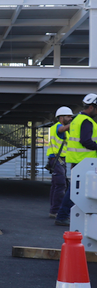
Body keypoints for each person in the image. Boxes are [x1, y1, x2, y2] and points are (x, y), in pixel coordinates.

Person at [54, 94, 97, 226]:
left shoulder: (77, 120)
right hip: (85, 161)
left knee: (76, 189)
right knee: (76, 190)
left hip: (78, 161)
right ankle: (62, 216)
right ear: (91, 107)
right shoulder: (86, 121)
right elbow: (85, 141)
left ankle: (64, 215)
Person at [47, 106, 73, 218]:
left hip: (57, 160)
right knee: (61, 185)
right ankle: (55, 211)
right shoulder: (58, 126)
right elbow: (62, 129)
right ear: (61, 117)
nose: (71, 118)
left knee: (56, 186)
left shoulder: (54, 127)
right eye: (68, 116)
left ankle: (53, 209)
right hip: (57, 160)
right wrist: (76, 125)